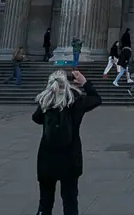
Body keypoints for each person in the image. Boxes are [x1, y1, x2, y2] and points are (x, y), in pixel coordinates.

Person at [33, 68, 102, 215]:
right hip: (70, 159)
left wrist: (50, 93)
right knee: (70, 201)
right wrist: (84, 83)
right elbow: (96, 98)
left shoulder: (46, 104)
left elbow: (36, 118)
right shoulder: (77, 102)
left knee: (45, 202)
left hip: (47, 159)